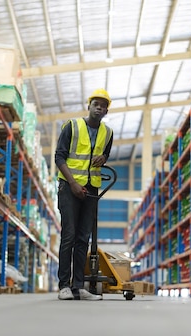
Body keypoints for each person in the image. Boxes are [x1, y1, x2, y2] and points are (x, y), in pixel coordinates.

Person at [54, 89, 114, 300]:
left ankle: (78, 286)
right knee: (69, 235)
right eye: (96, 103)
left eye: (103, 105)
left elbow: (105, 153)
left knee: (83, 238)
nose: (99, 107)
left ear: (107, 110)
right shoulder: (72, 126)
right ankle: (64, 286)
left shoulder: (108, 132)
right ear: (89, 105)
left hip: (92, 189)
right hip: (69, 187)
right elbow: (59, 157)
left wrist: (104, 158)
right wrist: (72, 183)